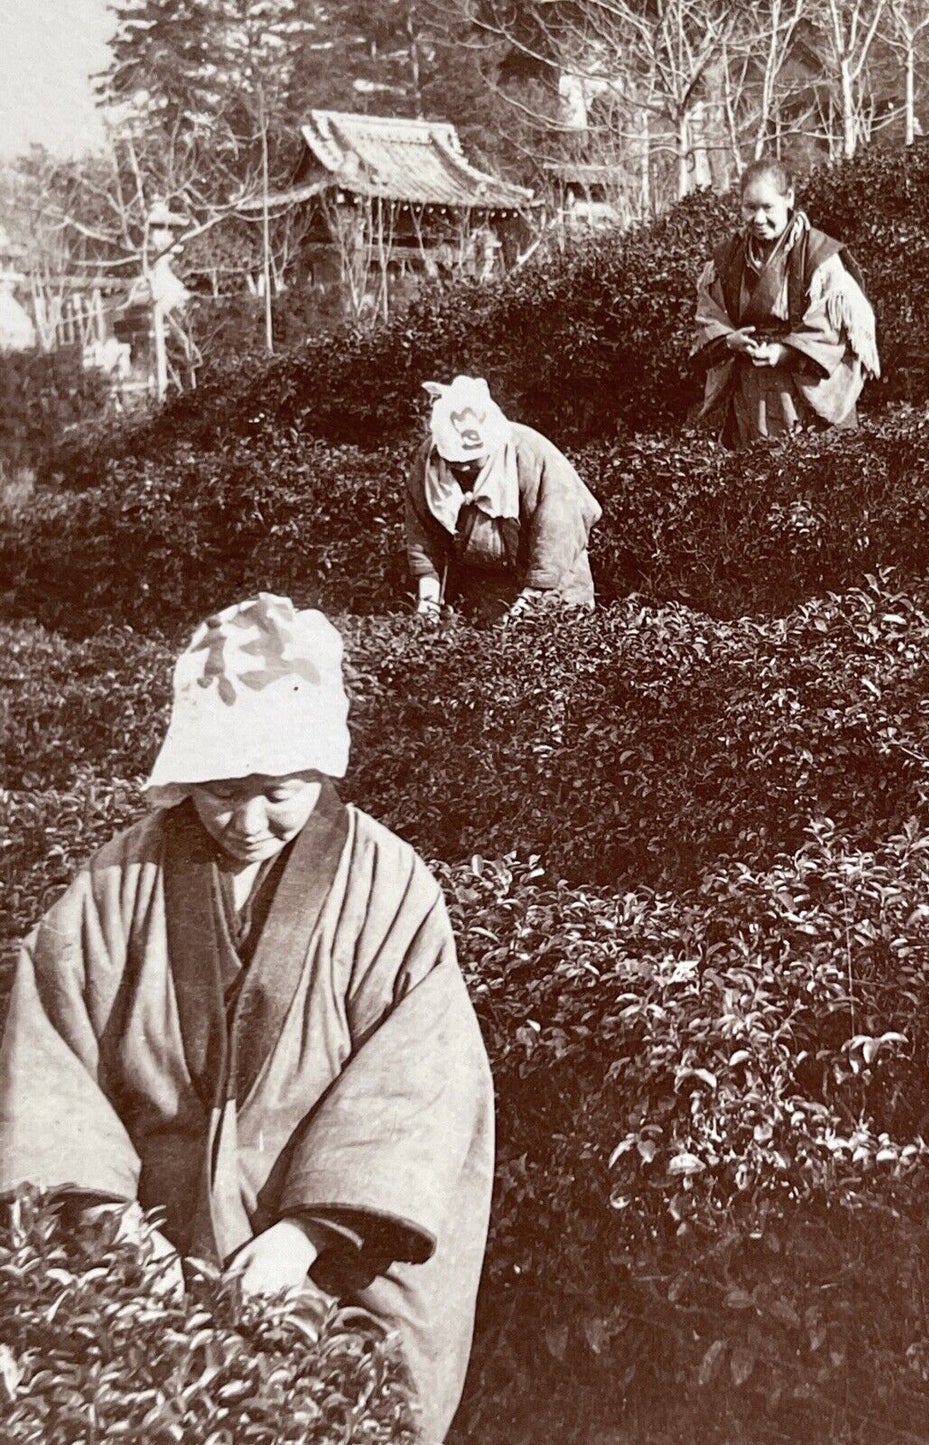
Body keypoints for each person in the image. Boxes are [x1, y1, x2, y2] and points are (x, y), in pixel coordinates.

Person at [0, 594, 493, 1444]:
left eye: (277, 792)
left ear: (321, 770)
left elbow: (421, 1078)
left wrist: (299, 1239)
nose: (247, 820)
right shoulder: (120, 879)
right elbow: (53, 1054)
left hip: (335, 1243)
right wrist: (115, 1230)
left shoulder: (388, 883)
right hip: (145, 1232)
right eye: (221, 791)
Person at [693, 158, 879, 448]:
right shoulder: (728, 258)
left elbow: (834, 326)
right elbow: (709, 314)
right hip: (749, 394)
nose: (758, 218)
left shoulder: (819, 255)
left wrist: (784, 351)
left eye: (768, 207)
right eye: (749, 207)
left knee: (808, 474)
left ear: (789, 198)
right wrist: (730, 340)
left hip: (801, 391)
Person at [406, 373, 602, 619]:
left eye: (472, 461)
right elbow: (422, 530)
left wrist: (530, 599)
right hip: (487, 582)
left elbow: (558, 529)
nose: (464, 468)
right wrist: (428, 600)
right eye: (455, 462)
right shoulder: (431, 459)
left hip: (555, 576)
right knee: (491, 646)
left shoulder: (531, 452)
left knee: (551, 638)